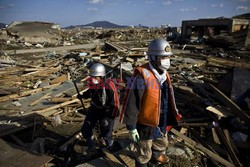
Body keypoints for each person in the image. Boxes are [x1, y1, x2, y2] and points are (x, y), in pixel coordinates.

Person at [120, 39, 182, 166]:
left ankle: (157, 155)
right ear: (153, 57)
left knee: (161, 142)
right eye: (163, 57)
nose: (167, 60)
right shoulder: (142, 75)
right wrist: (131, 127)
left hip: (161, 119)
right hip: (146, 122)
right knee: (144, 151)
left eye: (168, 57)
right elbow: (132, 102)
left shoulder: (164, 74)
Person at [77, 63, 120, 155]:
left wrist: (111, 116)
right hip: (95, 108)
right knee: (86, 128)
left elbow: (115, 102)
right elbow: (91, 92)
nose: (93, 79)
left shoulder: (109, 85)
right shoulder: (93, 83)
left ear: (101, 76)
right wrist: (83, 96)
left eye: (95, 77)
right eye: (92, 77)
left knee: (106, 130)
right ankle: (91, 144)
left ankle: (110, 145)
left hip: (107, 111)